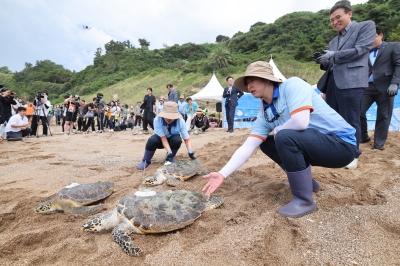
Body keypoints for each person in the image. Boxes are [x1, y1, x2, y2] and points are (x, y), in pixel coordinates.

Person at [202, 61, 358, 218]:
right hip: (319, 146)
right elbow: (248, 147)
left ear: (267, 79)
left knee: (284, 136)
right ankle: (307, 184)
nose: (249, 85)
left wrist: (278, 129)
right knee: (267, 144)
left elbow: (300, 121)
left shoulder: (293, 85)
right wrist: (222, 174)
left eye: (253, 80)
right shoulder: (265, 112)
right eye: (247, 82)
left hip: (342, 146)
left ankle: (304, 201)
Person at [316, 1, 375, 169]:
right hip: (333, 83)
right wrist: (323, 61)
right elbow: (331, 64)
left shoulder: (365, 26)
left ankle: (352, 155)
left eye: (338, 17)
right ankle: (335, 152)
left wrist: (334, 55)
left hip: (352, 81)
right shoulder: (333, 41)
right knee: (332, 119)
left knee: (351, 119)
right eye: (332, 20)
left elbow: (361, 50)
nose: (335, 22)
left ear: (350, 14)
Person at [360, 26, 400, 150]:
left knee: (383, 115)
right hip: (366, 86)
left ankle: (379, 143)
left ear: (381, 35)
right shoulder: (363, 50)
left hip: (386, 87)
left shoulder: (393, 46)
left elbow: (398, 64)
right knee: (358, 111)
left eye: (373, 36)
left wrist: (395, 83)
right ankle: (363, 135)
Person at [136, 102, 195, 170]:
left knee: (177, 140)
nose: (168, 119)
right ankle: (146, 160)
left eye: (171, 117)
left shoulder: (181, 122)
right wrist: (169, 151)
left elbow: (187, 139)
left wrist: (190, 151)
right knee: (152, 140)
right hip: (160, 140)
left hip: (172, 141)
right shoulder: (157, 120)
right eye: (166, 116)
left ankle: (170, 157)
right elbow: (163, 138)